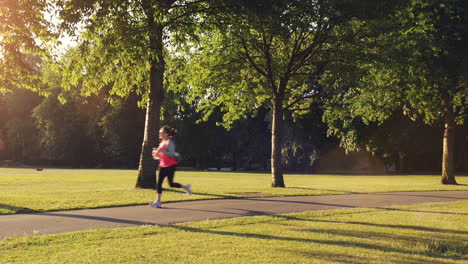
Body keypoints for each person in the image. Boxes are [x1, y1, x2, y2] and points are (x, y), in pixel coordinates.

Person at [150, 125, 191, 208]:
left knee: (171, 184)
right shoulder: (161, 143)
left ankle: (185, 187)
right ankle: (158, 201)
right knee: (159, 183)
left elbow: (172, 155)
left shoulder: (170, 143)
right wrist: (155, 154)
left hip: (170, 166)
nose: (160, 134)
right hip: (162, 165)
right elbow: (159, 155)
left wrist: (162, 151)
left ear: (167, 134)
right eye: (160, 133)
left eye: (162, 133)